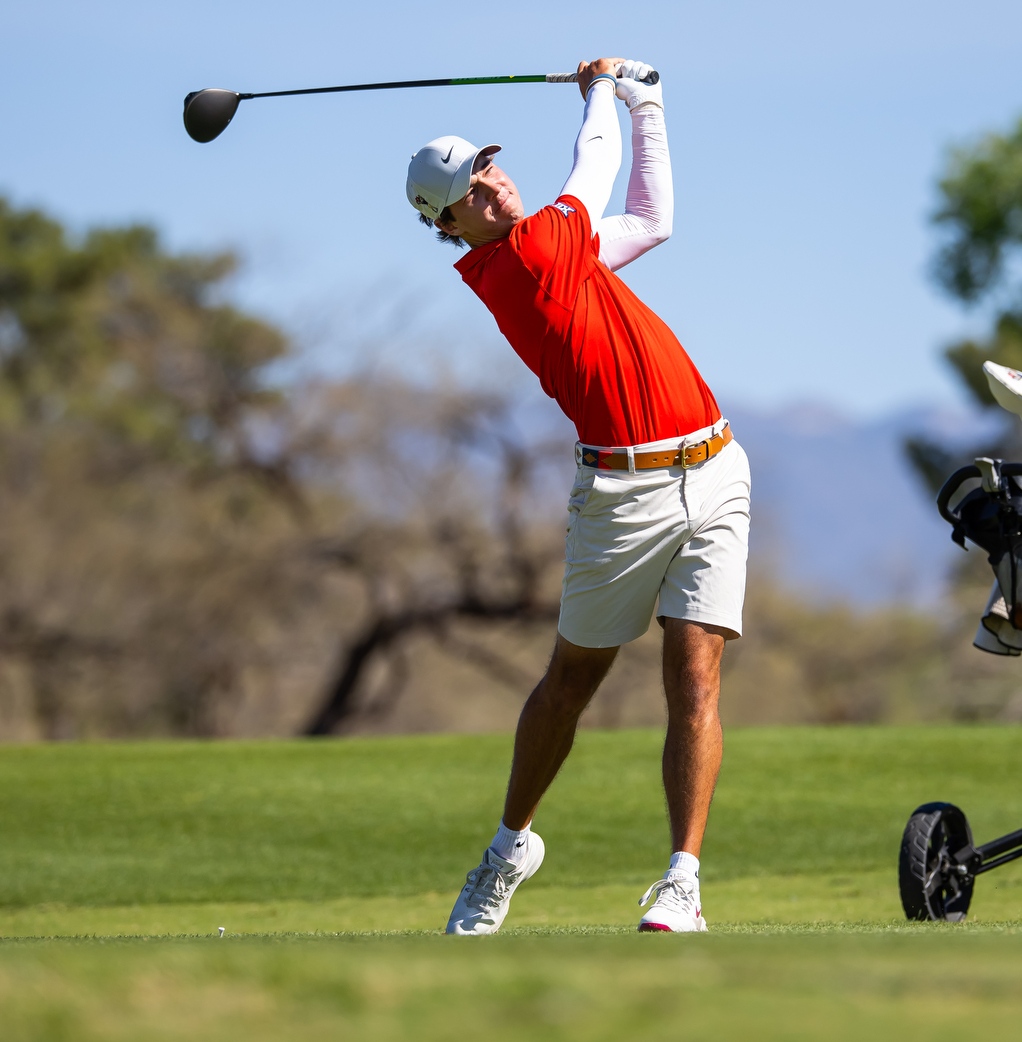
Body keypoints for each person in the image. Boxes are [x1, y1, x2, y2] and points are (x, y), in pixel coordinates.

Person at [405, 57, 750, 934]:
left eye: (487, 165)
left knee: (697, 676)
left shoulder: (560, 251)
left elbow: (653, 220)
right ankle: (507, 849)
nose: (492, 182)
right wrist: (602, 89)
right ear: (448, 224)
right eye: (470, 187)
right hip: (620, 495)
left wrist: (650, 103)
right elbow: (591, 174)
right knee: (571, 682)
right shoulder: (519, 260)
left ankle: (683, 881)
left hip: (715, 467)